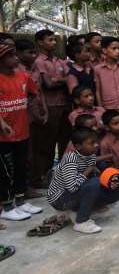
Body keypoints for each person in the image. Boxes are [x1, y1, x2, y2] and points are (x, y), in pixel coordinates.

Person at [0, 44, 44, 221]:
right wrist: (2, 122)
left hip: (22, 130)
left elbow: (34, 94)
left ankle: (20, 201)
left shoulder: (23, 77)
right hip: (3, 136)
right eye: (10, 56)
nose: (15, 58)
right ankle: (6, 206)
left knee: (21, 167)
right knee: (6, 172)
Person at [47, 127, 119, 234]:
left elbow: (93, 171)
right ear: (78, 146)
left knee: (113, 193)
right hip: (59, 199)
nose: (96, 145)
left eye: (96, 141)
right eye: (92, 143)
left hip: (74, 192)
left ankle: (75, 211)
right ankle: (81, 222)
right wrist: (89, 169)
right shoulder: (70, 159)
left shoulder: (90, 155)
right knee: (94, 183)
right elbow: (72, 187)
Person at [30, 29, 71, 188]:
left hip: (64, 105)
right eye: (50, 40)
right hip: (50, 106)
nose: (54, 43)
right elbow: (48, 84)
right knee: (47, 144)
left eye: (55, 40)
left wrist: (58, 80)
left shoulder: (59, 60)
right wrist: (62, 80)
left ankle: (63, 174)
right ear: (40, 42)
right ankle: (43, 176)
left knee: (64, 142)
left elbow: (69, 79)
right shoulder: (38, 61)